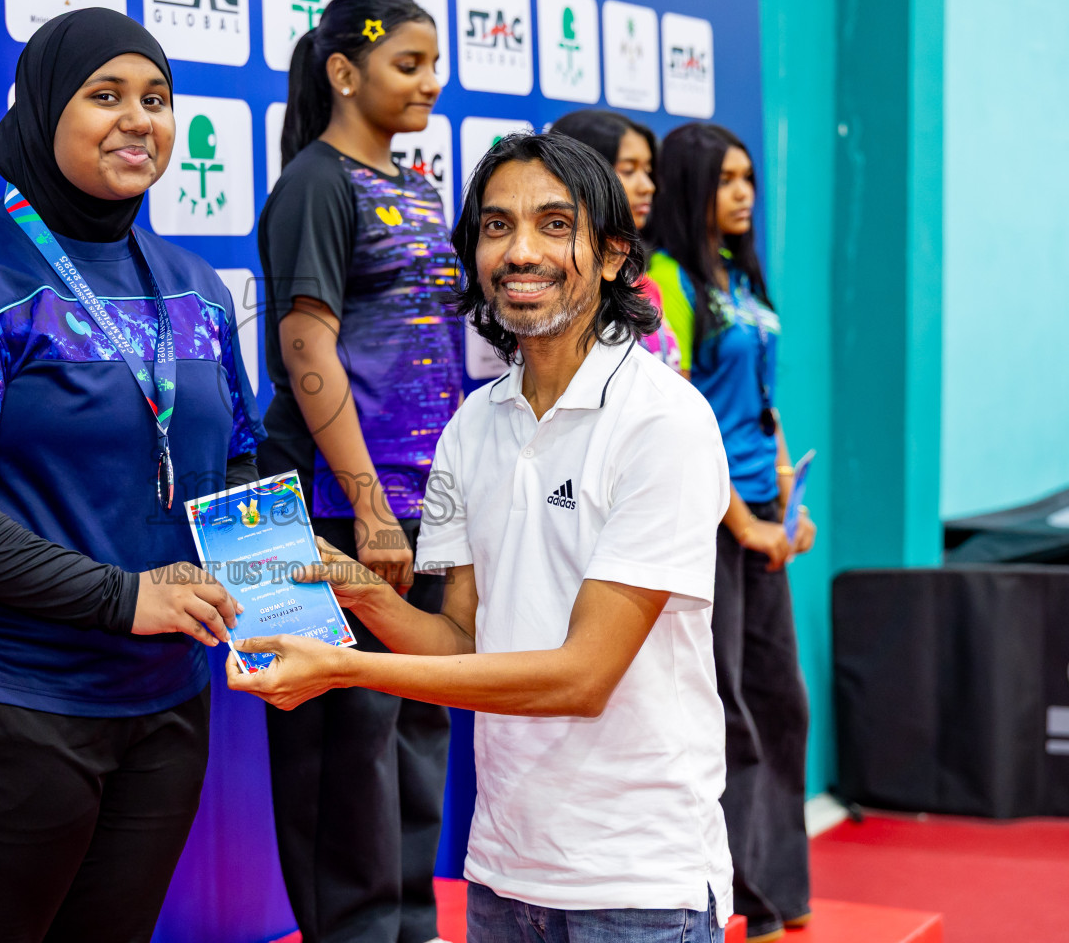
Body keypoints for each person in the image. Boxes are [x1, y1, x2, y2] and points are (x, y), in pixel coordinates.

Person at [233, 131, 733, 943]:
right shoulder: (471, 426)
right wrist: (353, 589)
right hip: (503, 873)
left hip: (639, 881)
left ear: (613, 257)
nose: (520, 251)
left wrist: (345, 668)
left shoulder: (663, 421)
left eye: (554, 224)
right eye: (497, 226)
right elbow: (461, 641)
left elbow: (582, 677)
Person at [0, 8, 263, 943]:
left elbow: (237, 460)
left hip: (165, 700)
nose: (138, 120)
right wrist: (122, 598)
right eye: (105, 95)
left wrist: (283, 604)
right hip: (2, 699)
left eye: (157, 99)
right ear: (44, 114)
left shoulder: (196, 289)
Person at [257, 0, 460, 943]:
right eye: (408, 64)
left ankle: (410, 929)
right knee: (339, 751)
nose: (431, 82)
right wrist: (369, 507)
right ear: (344, 72)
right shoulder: (315, 183)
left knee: (416, 726)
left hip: (422, 505)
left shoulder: (420, 189)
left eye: (433, 63)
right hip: (325, 506)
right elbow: (307, 345)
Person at [646, 122, 816, 943]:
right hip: (711, 526)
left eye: (749, 177)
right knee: (729, 711)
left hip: (759, 523)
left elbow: (763, 407)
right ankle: (741, 894)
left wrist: (788, 505)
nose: (745, 193)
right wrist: (744, 524)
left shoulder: (744, 280)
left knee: (784, 701)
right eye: (726, 179)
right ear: (690, 187)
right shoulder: (666, 280)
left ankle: (781, 885)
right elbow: (681, 417)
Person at [550, 109, 681, 371]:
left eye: (647, 171)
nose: (648, 186)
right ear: (582, 174)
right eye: (629, 170)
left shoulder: (646, 285)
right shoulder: (554, 287)